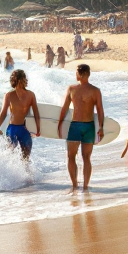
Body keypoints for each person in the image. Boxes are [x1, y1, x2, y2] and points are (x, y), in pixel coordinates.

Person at [55, 64, 105, 192]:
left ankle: (75, 185)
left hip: (75, 126)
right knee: (86, 157)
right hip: (89, 127)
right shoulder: (95, 91)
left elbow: (65, 108)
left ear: (82, 74)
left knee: (71, 156)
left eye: (76, 72)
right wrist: (101, 127)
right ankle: (85, 186)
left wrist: (60, 123)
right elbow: (100, 111)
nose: (75, 75)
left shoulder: (72, 89)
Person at [0, 69, 38, 160]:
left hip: (23, 129)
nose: (23, 81)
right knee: (10, 155)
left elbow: (36, 113)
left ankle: (25, 174)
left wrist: (38, 129)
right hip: (12, 129)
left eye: (24, 79)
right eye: (21, 79)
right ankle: (9, 172)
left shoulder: (31, 95)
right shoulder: (9, 95)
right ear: (17, 80)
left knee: (26, 157)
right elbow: (3, 112)